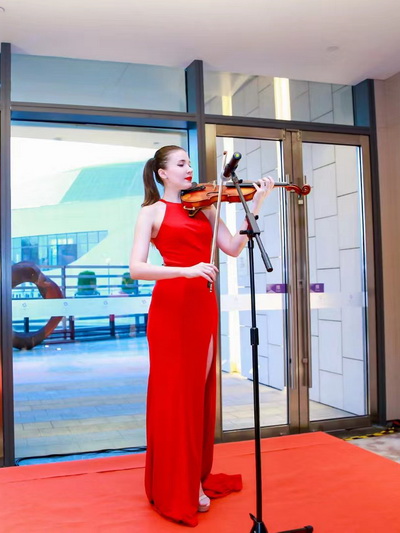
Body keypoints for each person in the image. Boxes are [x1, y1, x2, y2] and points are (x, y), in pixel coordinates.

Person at [129, 145, 274, 526]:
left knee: (198, 396)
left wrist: (256, 204)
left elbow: (233, 248)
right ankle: (178, 483)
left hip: (202, 305)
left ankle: (193, 475)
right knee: (174, 398)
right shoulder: (151, 211)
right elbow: (136, 268)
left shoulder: (206, 206)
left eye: (189, 163)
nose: (189, 168)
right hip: (171, 307)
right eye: (181, 164)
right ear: (163, 173)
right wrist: (185, 270)